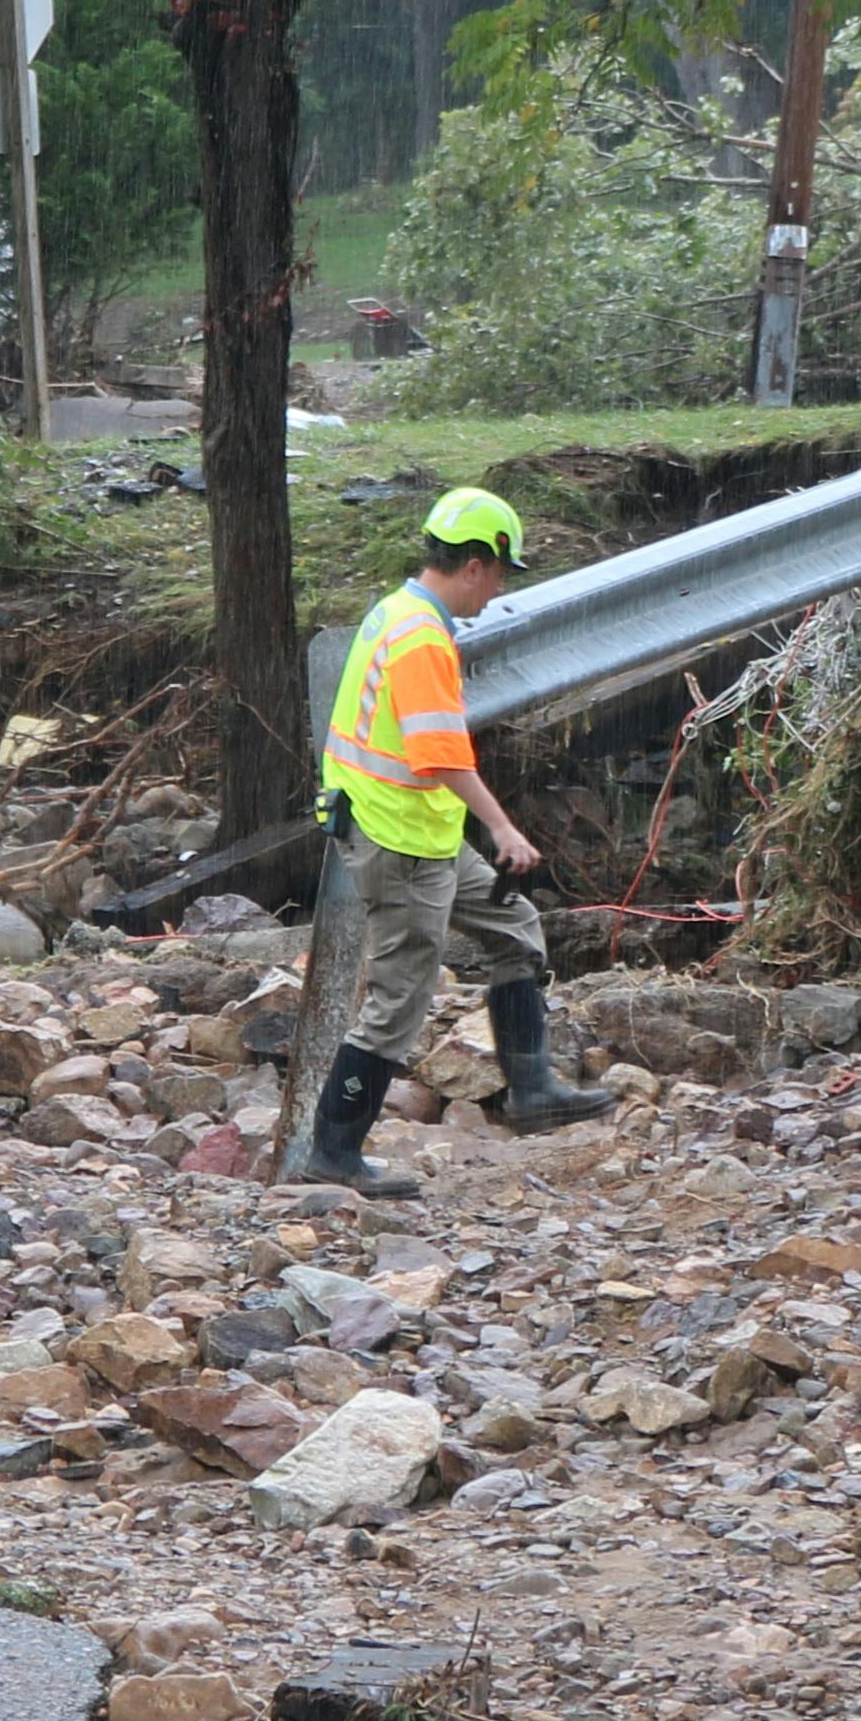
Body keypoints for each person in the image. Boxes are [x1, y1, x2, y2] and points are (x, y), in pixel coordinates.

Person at [293, 486, 608, 1199]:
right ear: (474, 566)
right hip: (398, 841)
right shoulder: (422, 637)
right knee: (399, 999)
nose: (498, 591)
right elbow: (438, 756)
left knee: (514, 928)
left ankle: (533, 1091)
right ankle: (333, 1150)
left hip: (420, 833)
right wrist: (501, 826)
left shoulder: (398, 612)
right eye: (501, 575)